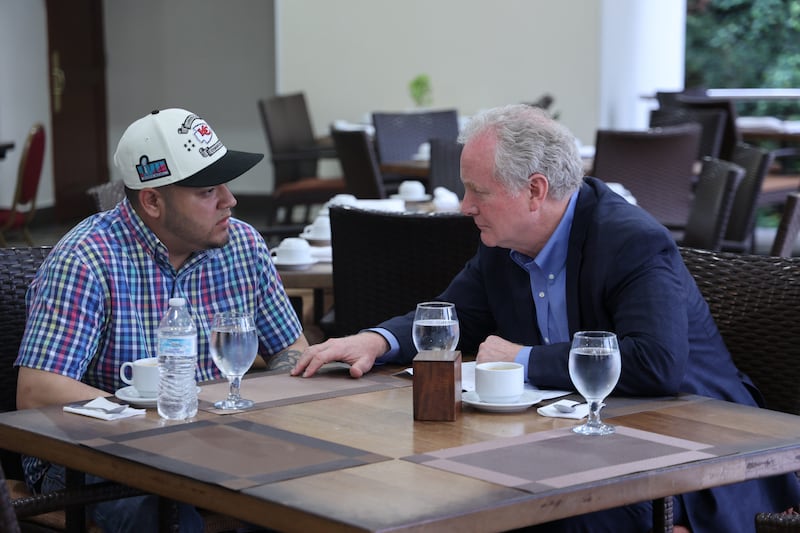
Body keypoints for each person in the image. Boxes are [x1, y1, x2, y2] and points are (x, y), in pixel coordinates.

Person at [292, 104, 800, 533]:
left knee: (530, 515)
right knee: (438, 489)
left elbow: (655, 363)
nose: (465, 206)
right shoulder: (503, 243)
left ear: (535, 191)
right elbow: (456, 315)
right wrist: (376, 340)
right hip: (582, 440)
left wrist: (524, 360)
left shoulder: (630, 240)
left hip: (695, 449)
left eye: (478, 191)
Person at [15, 108, 308, 532]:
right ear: (152, 201)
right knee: (161, 512)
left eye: (226, 185)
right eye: (208, 191)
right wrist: (159, 423)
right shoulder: (86, 259)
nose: (230, 200)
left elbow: (291, 350)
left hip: (218, 442)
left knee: (306, 491)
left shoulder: (242, 245)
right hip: (94, 454)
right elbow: (38, 391)